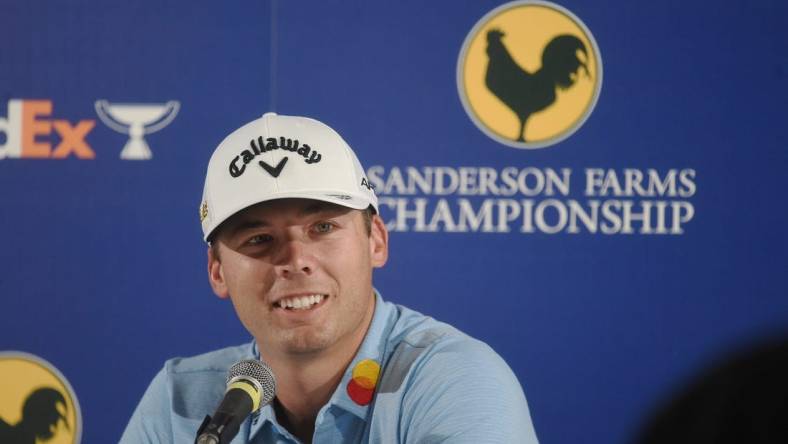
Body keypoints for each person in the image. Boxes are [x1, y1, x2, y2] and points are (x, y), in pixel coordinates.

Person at [120, 112, 539, 443]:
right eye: (259, 238)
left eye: (322, 228)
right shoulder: (180, 403)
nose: (295, 260)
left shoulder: (453, 380)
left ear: (375, 240)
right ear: (217, 271)